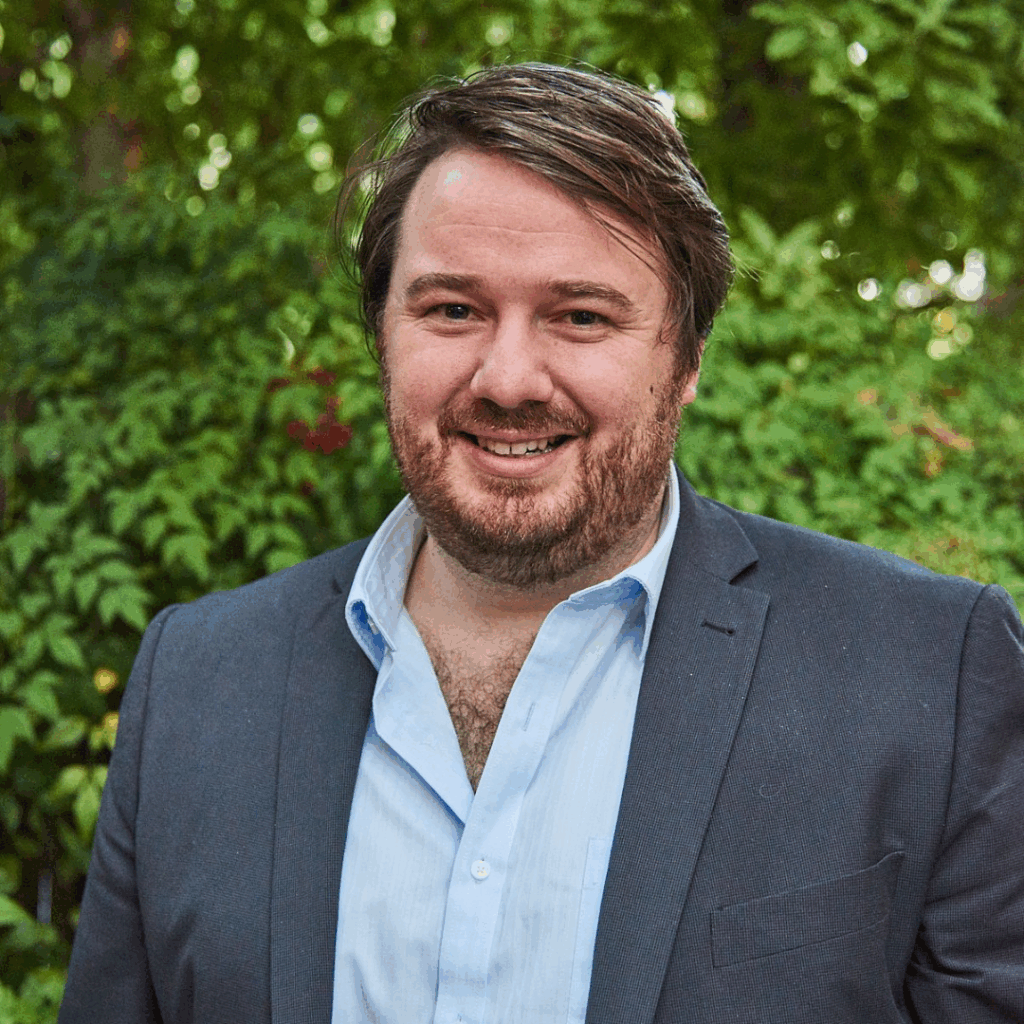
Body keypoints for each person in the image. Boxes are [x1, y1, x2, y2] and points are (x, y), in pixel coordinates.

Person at [59, 63, 1024, 1024]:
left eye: (581, 317)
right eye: (452, 310)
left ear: (685, 359)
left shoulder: (929, 674)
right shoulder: (194, 682)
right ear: (383, 336)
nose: (509, 377)